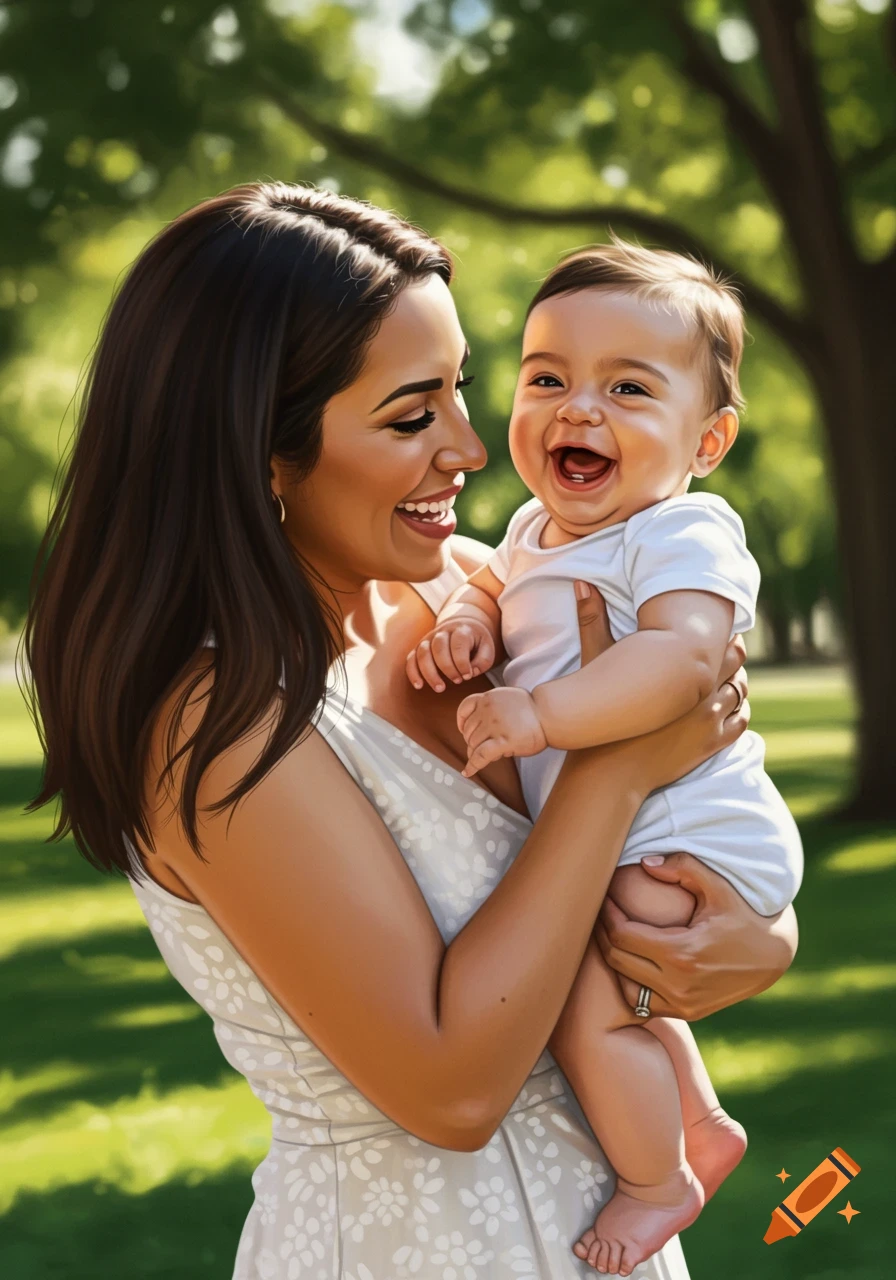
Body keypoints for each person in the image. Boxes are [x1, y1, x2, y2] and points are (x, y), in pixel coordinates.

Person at [22, 182, 798, 1280]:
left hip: (604, 1237)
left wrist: (755, 939)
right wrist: (613, 767)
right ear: (261, 452)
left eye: (462, 393)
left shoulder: (484, 590)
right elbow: (452, 1086)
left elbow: (693, 808)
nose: (472, 450)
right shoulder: (213, 718)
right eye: (409, 414)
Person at [406, 239, 805, 1274]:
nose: (577, 408)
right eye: (547, 378)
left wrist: (541, 715)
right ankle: (701, 1119)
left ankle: (654, 1177)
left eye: (627, 387)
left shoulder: (680, 532)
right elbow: (492, 585)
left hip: (688, 832)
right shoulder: (536, 528)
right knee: (595, 967)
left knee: (583, 1001)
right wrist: (463, 616)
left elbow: (684, 659)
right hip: (634, 820)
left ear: (706, 440)